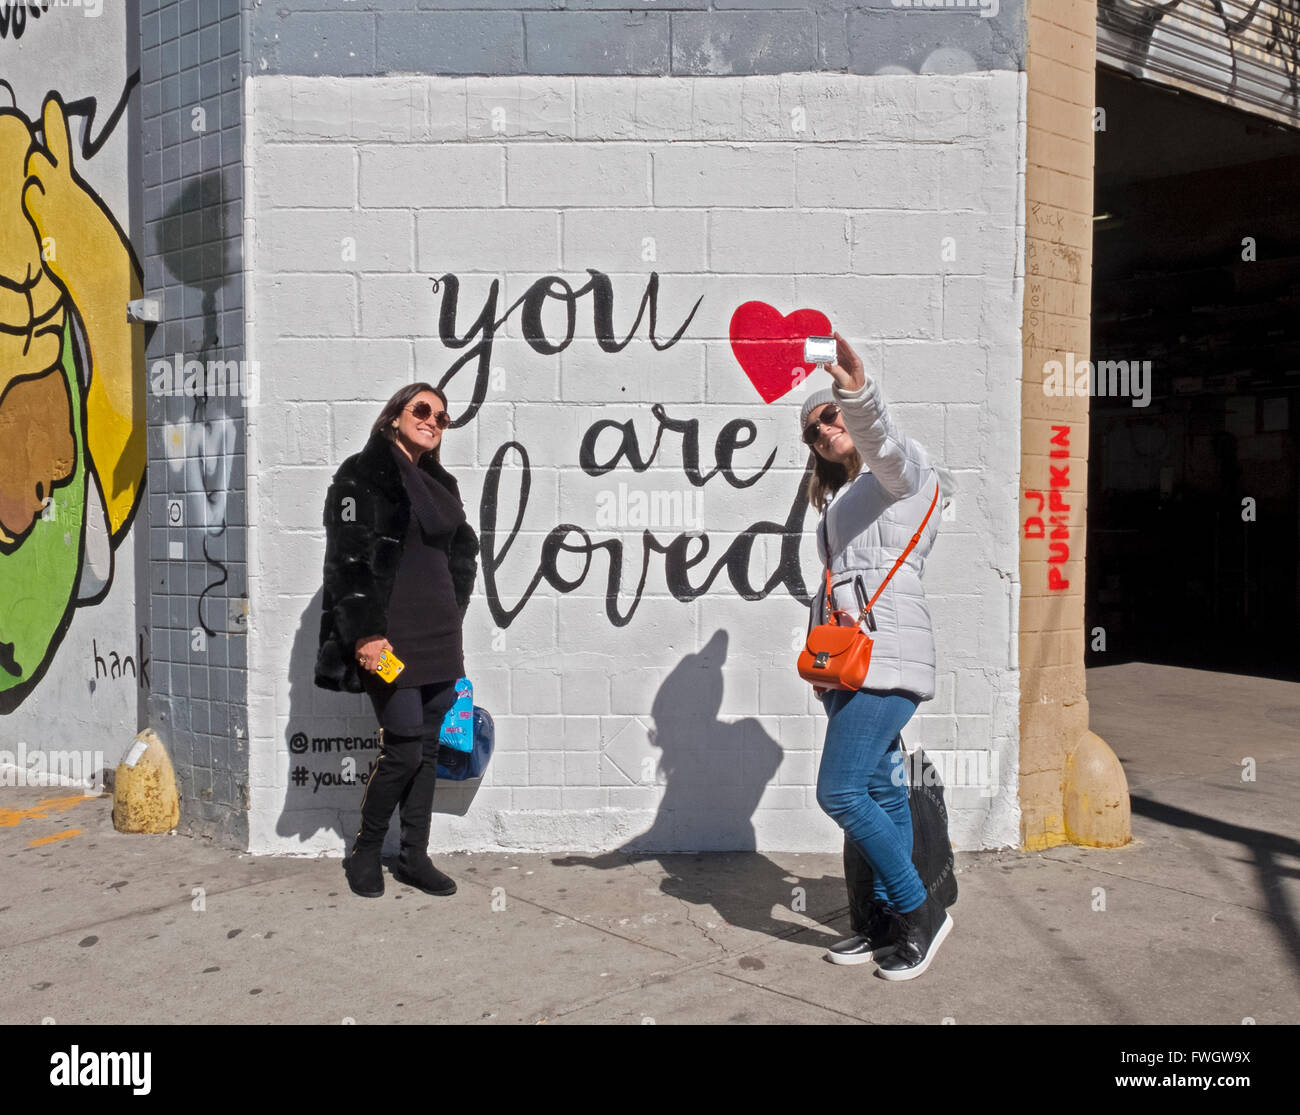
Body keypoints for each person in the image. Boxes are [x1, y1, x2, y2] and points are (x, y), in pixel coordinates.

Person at [801, 332, 953, 981]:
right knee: (883, 791)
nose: (825, 428)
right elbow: (836, 588)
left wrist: (856, 394)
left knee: (837, 789)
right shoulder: (835, 507)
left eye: (829, 415)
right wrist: (820, 661)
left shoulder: (903, 474)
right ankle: (887, 919)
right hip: (849, 663)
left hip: (891, 654)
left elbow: (883, 442)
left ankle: (923, 910)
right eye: (813, 429)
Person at [314, 383, 479, 899]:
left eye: (442, 417)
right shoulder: (358, 477)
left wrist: (456, 608)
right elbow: (346, 560)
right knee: (404, 746)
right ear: (393, 418)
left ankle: (413, 857)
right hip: (389, 641)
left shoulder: (440, 483)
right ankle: (366, 850)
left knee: (427, 748)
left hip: (438, 637)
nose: (433, 420)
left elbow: (462, 552)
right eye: (422, 410)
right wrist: (365, 633)